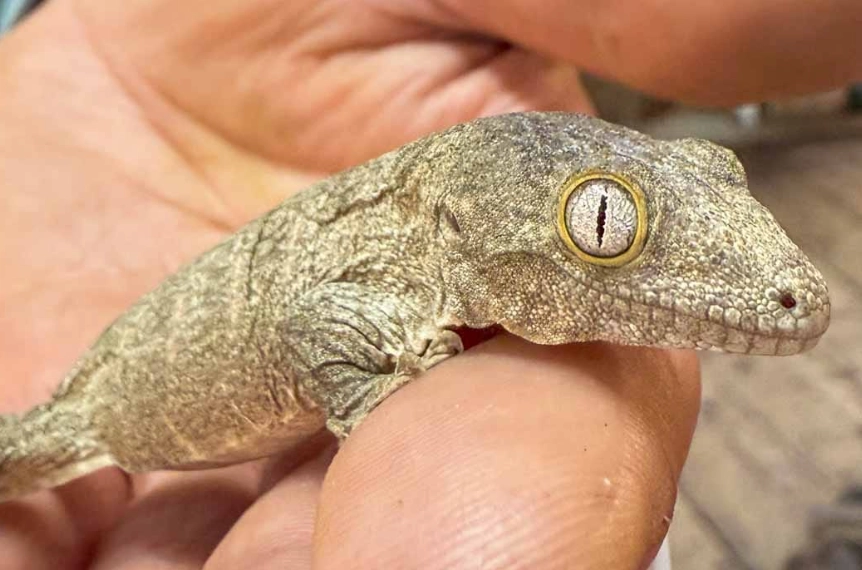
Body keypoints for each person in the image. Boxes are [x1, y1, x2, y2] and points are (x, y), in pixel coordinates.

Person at [0, 1, 858, 568]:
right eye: (604, 227)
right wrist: (370, 397)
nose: (782, 290)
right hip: (109, 412)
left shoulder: (448, 227)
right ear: (470, 234)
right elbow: (320, 320)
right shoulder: (399, 275)